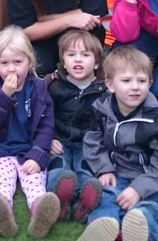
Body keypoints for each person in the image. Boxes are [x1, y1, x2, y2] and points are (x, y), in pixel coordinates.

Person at [78, 46, 158, 241]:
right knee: (107, 198)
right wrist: (104, 169)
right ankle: (102, 229)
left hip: (151, 179)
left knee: (147, 207)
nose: (135, 86)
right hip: (117, 172)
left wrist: (139, 189)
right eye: (126, 81)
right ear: (110, 85)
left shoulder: (157, 118)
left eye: (141, 81)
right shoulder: (101, 108)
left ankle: (142, 235)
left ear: (150, 83)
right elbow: (93, 140)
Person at [0, 26, 61, 239]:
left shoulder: (39, 87)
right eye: (4, 63)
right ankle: (2, 213)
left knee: (34, 184)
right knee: (2, 185)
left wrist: (39, 154)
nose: (11, 69)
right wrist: (4, 95)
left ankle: (40, 212)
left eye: (18, 62)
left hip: (29, 150)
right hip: (1, 151)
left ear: (30, 61)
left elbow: (46, 125)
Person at [46, 30, 107, 223]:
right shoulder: (54, 85)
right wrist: (51, 137)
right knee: (58, 166)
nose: (77, 60)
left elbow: (108, 120)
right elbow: (43, 115)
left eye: (85, 55)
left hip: (88, 142)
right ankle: (59, 200)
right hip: (60, 140)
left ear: (97, 63)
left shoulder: (104, 89)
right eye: (71, 55)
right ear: (63, 61)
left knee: (86, 168)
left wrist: (99, 142)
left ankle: (83, 202)